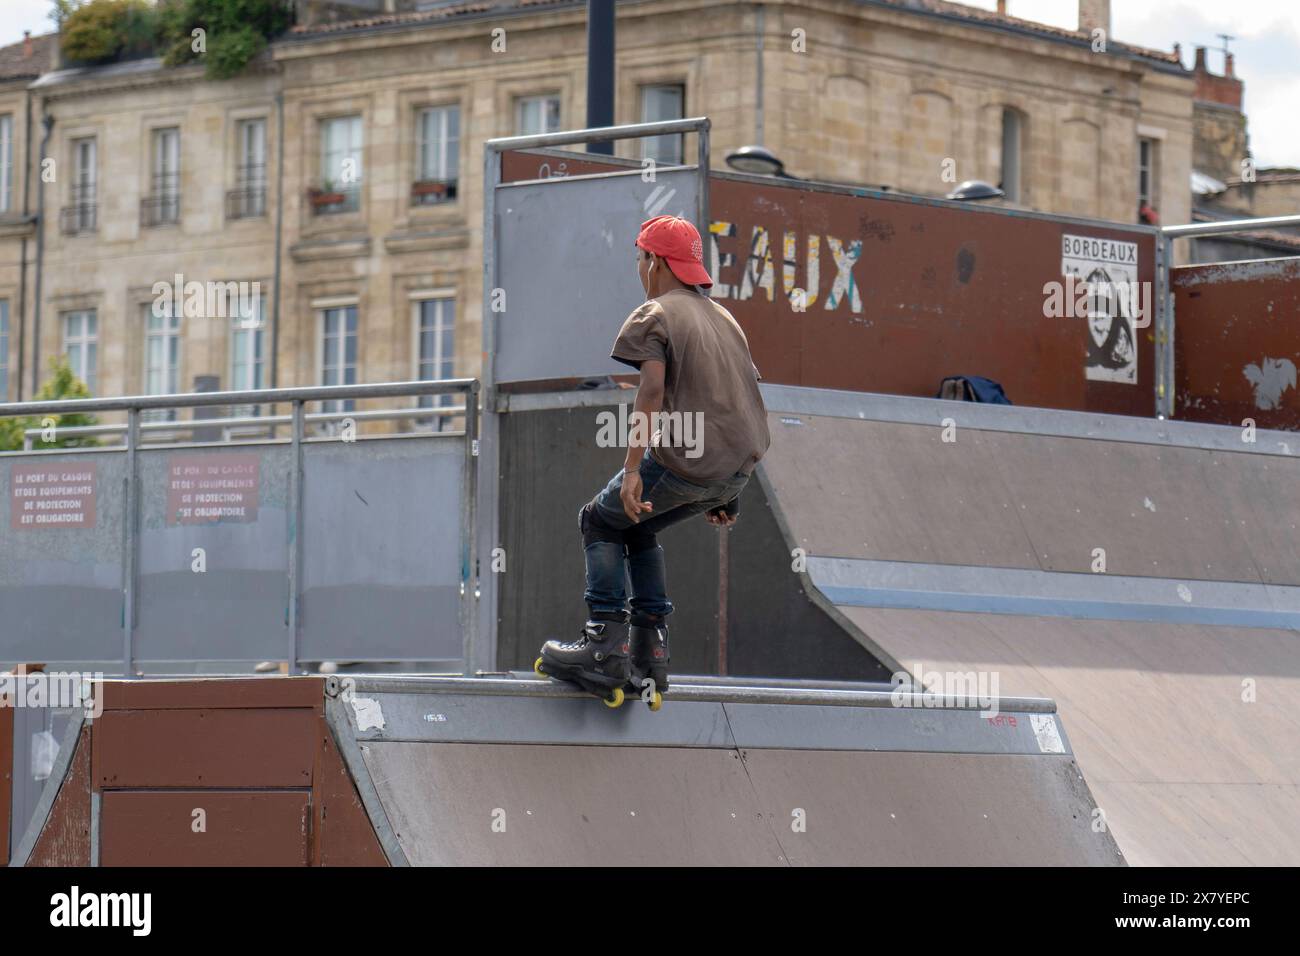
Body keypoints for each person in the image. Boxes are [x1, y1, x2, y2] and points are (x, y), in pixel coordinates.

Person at [537, 215, 771, 705]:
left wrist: (630, 471)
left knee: (600, 521)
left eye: (641, 259)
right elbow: (745, 395)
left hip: (687, 462)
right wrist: (732, 489)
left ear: (656, 262)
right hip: (735, 468)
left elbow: (651, 392)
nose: (639, 269)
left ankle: (603, 644)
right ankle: (650, 650)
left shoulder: (655, 313)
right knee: (639, 526)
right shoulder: (725, 318)